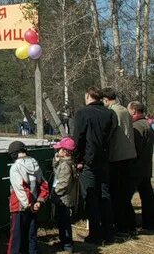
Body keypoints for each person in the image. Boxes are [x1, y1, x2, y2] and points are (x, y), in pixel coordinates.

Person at [73, 87, 116, 244]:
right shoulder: (109, 113)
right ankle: (109, 232)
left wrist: (77, 159)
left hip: (87, 159)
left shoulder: (82, 113)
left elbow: (78, 138)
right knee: (105, 194)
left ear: (88, 96)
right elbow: (111, 133)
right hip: (104, 158)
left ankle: (95, 234)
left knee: (91, 196)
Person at [102, 87, 137, 235]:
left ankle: (121, 226)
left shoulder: (112, 112)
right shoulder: (124, 110)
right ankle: (130, 225)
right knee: (125, 193)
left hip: (117, 156)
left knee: (117, 193)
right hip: (129, 155)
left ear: (105, 99)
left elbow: (110, 133)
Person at [7, 141, 49, 254]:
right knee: (31, 235)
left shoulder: (15, 167)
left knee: (16, 237)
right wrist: (39, 202)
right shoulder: (35, 164)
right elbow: (44, 184)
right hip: (34, 206)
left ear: (14, 154)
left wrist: (28, 204)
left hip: (19, 207)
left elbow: (21, 188)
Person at [126, 101, 154, 230]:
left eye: (129, 110)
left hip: (136, 167)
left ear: (134, 111)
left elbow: (135, 149)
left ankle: (129, 224)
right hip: (146, 166)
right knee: (147, 196)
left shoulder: (136, 126)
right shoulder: (147, 125)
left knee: (126, 196)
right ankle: (148, 222)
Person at [51, 137, 78, 253]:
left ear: (65, 151)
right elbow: (58, 171)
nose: (57, 151)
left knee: (65, 223)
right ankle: (64, 242)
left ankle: (67, 244)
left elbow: (63, 182)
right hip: (65, 197)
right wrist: (56, 161)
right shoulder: (67, 163)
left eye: (59, 149)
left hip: (64, 198)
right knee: (62, 222)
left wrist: (55, 192)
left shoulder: (66, 166)